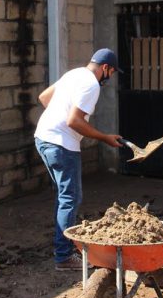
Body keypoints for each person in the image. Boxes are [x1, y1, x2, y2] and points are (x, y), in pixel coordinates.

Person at [35, 48, 123, 271]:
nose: (110, 78)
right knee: (71, 197)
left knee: (64, 196)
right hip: (61, 145)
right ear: (106, 68)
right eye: (111, 73)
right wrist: (105, 138)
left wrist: (58, 116)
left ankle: (63, 246)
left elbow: (44, 97)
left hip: (43, 137)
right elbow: (74, 121)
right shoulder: (92, 85)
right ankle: (64, 257)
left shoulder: (73, 74)